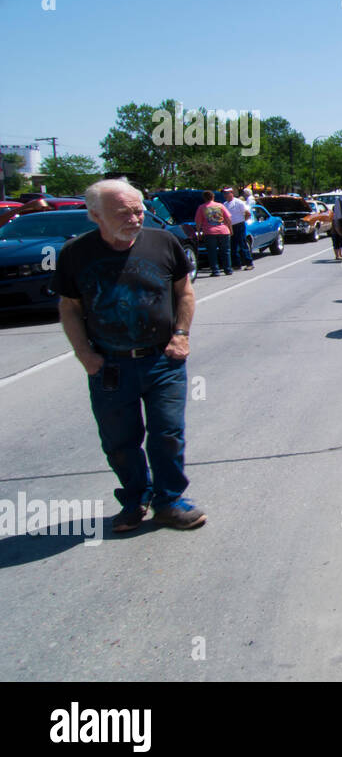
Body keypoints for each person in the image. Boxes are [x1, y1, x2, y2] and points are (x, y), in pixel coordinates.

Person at [53, 179, 205, 531]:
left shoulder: (163, 242)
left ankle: (169, 500)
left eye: (138, 210)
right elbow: (70, 308)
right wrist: (84, 355)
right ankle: (136, 497)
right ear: (95, 215)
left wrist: (181, 336)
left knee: (168, 432)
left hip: (162, 360)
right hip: (110, 364)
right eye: (124, 213)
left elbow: (184, 293)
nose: (135, 218)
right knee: (119, 441)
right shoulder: (76, 253)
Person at [197, 190, 233, 276]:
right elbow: (228, 218)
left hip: (209, 232)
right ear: (213, 197)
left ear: (204, 198)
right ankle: (228, 269)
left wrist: (199, 232)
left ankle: (215, 271)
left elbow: (198, 222)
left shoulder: (202, 207)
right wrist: (230, 229)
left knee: (212, 252)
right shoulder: (220, 206)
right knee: (225, 251)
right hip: (223, 230)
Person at [223, 187, 253, 271]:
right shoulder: (225, 204)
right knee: (233, 246)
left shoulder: (238, 202)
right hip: (230, 226)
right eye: (224, 193)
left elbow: (247, 213)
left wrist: (243, 220)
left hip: (239, 225)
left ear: (231, 193)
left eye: (227, 193)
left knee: (242, 244)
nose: (225, 195)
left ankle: (249, 263)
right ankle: (236, 264)